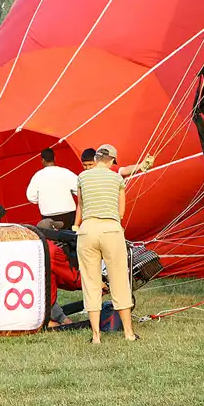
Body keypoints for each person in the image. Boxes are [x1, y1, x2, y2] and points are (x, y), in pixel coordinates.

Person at [75, 144, 138, 343]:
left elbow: (81, 206)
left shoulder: (82, 177)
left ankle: (96, 336)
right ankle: (128, 333)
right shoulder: (117, 178)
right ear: (111, 160)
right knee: (119, 280)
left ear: (95, 159)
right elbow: (121, 212)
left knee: (90, 282)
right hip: (111, 229)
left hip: (87, 230)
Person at [25, 148, 79, 229]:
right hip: (68, 214)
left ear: (42, 160)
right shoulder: (65, 172)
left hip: (48, 215)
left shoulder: (38, 176)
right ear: (54, 158)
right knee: (69, 237)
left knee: (51, 239)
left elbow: (31, 197)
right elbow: (80, 189)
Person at [80, 147, 155, 177]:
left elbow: (124, 170)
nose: (87, 168)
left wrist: (140, 165)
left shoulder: (108, 170)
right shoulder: (83, 176)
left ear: (96, 161)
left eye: (90, 164)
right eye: (85, 165)